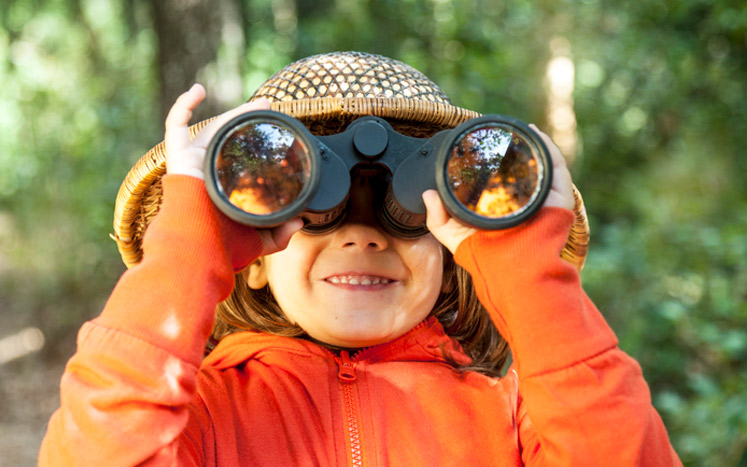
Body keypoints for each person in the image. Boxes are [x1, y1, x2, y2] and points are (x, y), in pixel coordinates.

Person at [39, 52, 681, 466]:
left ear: (455, 251)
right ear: (251, 255)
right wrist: (190, 245)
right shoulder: (202, 415)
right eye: (318, 209)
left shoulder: (513, 417)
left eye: (406, 214)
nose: (365, 236)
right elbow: (99, 449)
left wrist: (527, 274)